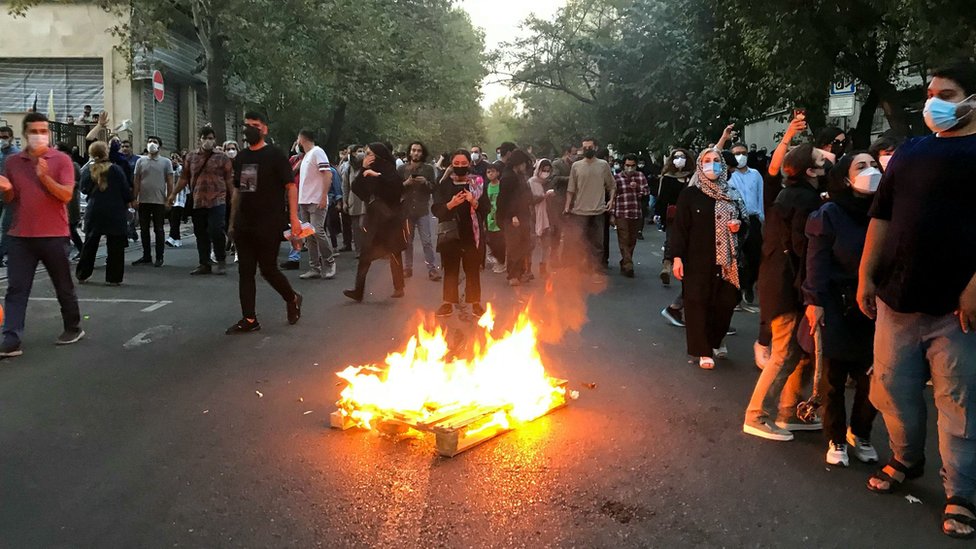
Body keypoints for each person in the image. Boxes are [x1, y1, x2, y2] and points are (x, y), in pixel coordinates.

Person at [857, 61, 976, 539]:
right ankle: (907, 459)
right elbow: (881, 216)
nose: (934, 103)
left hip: (957, 310)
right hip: (896, 299)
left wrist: (974, 287)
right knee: (891, 388)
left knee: (958, 404)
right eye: (930, 94)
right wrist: (866, 275)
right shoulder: (911, 151)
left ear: (972, 102)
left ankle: (960, 493)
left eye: (946, 95)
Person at [801, 152, 881, 468]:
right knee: (833, 379)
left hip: (875, 307)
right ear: (846, 178)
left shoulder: (886, 210)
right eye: (862, 166)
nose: (871, 171)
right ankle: (835, 437)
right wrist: (814, 301)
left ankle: (860, 432)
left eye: (874, 165)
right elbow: (816, 260)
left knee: (872, 378)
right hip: (837, 304)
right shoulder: (829, 214)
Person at [743, 143, 826, 441]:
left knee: (797, 353)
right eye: (821, 159)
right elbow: (803, 248)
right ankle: (757, 415)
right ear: (810, 171)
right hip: (787, 286)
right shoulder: (804, 200)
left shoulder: (789, 195)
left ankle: (789, 411)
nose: (828, 161)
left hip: (780, 282)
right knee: (783, 353)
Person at [0, 113, 84, 357]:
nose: (39, 136)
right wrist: (6, 189)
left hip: (54, 235)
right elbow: (11, 199)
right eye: (34, 131)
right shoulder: (13, 162)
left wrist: (44, 177)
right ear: (25, 134)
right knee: (16, 289)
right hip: (20, 236)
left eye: (43, 131)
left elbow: (66, 195)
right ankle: (11, 338)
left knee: (63, 285)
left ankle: (73, 327)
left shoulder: (61, 160)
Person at [226, 112, 303, 333]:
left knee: (268, 269)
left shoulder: (275, 155)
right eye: (247, 125)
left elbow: (290, 187)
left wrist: (294, 219)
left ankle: (292, 298)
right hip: (245, 223)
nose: (250, 129)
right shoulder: (242, 157)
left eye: (255, 125)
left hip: (269, 223)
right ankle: (249, 319)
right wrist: (232, 222)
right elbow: (240, 190)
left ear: (264, 129)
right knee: (245, 271)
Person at [669, 148, 746, 369]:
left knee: (725, 303)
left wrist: (739, 226)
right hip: (696, 260)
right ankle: (703, 351)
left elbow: (745, 221)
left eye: (716, 160)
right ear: (700, 166)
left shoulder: (732, 193)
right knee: (697, 304)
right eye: (707, 160)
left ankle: (715, 340)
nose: (712, 164)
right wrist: (677, 257)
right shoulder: (690, 195)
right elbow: (680, 228)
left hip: (727, 261)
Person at [343, 143, 407, 302]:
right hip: (374, 219)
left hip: (390, 219)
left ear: (378, 155)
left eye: (370, 154)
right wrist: (363, 169)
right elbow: (356, 188)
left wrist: (377, 176)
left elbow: (396, 189)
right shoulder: (367, 169)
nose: (367, 157)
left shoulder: (389, 169)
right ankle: (358, 291)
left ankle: (399, 286)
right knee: (365, 254)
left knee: (394, 252)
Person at [431, 149, 490, 317]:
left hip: (472, 233)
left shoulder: (477, 183)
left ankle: (475, 303)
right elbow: (436, 210)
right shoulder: (444, 184)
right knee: (450, 268)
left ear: (469, 164)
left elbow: (486, 208)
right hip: (450, 233)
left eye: (464, 163)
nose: (460, 166)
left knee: (472, 268)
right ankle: (448, 302)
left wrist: (474, 201)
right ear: (451, 164)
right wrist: (451, 204)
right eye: (456, 163)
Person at [168, 127, 234, 275]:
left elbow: (229, 179)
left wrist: (233, 197)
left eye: (210, 138)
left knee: (216, 230)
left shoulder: (222, 157)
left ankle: (220, 260)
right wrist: (173, 194)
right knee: (200, 232)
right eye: (205, 138)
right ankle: (204, 263)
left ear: (214, 140)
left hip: (217, 200)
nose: (208, 141)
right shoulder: (191, 157)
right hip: (198, 200)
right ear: (200, 139)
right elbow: (184, 178)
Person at [76, 141, 132, 285]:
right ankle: (114, 278)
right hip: (115, 210)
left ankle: (83, 274)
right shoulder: (116, 169)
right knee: (115, 245)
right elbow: (125, 190)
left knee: (90, 243)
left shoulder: (88, 170)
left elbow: (83, 189)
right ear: (106, 153)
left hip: (95, 209)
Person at [564, 138, 615, 278]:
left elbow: (612, 185)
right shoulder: (576, 166)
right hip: (579, 210)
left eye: (590, 147)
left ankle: (596, 269)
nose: (587, 150)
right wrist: (567, 206)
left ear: (595, 147)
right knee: (580, 241)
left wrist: (611, 201)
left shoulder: (603, 165)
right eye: (585, 147)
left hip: (598, 210)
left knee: (598, 243)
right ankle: (581, 267)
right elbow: (571, 189)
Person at [294, 129, 337, 280]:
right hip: (304, 200)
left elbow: (327, 174)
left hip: (316, 200)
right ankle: (314, 267)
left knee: (318, 231)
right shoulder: (306, 156)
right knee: (308, 235)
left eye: (298, 139)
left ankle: (329, 262)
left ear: (302, 139)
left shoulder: (317, 152)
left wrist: (324, 196)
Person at [397, 141, 440, 281]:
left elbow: (434, 188)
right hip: (407, 210)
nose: (416, 153)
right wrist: (406, 183)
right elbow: (395, 189)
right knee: (408, 241)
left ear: (422, 153)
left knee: (426, 241)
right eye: (414, 150)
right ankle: (407, 268)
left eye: (419, 151)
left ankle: (432, 269)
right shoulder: (402, 169)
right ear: (409, 152)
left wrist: (425, 182)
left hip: (422, 210)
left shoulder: (428, 169)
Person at [728, 142, 764, 306]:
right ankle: (737, 290)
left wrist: (762, 218)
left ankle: (749, 285)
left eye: (743, 153)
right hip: (735, 220)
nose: (740, 156)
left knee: (755, 256)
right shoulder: (728, 176)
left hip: (753, 219)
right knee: (736, 257)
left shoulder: (755, 174)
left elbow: (760, 196)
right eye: (736, 153)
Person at [131, 135, 173, 268]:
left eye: (154, 142)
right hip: (143, 200)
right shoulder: (140, 161)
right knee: (144, 229)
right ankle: (146, 256)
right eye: (149, 141)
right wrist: (134, 198)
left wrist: (169, 199)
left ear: (159, 145)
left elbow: (170, 182)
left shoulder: (166, 162)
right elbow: (136, 181)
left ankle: (160, 257)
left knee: (159, 229)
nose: (151, 144)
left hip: (159, 201)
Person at [496, 149, 535, 286]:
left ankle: (521, 272)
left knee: (524, 245)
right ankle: (512, 275)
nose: (524, 167)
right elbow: (503, 200)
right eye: (523, 164)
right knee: (514, 246)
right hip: (512, 218)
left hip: (523, 214)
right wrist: (512, 215)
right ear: (518, 163)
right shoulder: (508, 178)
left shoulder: (520, 176)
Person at [655, 148, 693, 285]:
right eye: (676, 157)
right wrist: (658, 214)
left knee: (690, 242)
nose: (679, 159)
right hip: (674, 215)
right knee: (671, 240)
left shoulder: (693, 177)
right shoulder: (667, 178)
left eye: (682, 156)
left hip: (691, 214)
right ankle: (666, 267)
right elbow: (662, 198)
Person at [610, 154, 651, 278]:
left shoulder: (640, 176)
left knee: (632, 240)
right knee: (624, 238)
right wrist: (612, 214)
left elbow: (647, 191)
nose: (630, 168)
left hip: (635, 212)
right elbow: (613, 197)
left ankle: (625, 261)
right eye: (628, 165)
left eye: (633, 165)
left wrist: (637, 187)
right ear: (623, 165)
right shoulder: (617, 178)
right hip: (621, 212)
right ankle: (628, 264)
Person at [548, 144, 576, 266]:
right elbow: (554, 179)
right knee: (556, 230)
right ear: (567, 153)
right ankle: (554, 257)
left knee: (570, 231)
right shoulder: (557, 164)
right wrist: (570, 179)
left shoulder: (575, 164)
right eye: (573, 153)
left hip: (571, 201)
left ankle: (567, 257)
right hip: (558, 201)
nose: (575, 156)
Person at [527, 158, 554, 278]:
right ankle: (528, 270)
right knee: (531, 245)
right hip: (533, 216)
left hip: (547, 217)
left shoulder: (549, 183)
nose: (545, 173)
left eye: (548, 171)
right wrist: (543, 196)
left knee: (546, 244)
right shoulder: (530, 182)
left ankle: (543, 268)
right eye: (544, 170)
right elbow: (529, 200)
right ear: (538, 169)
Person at [0, 125, 22, 267]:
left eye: (5, 137)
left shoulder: (17, 155)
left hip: (10, 196)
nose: (2, 140)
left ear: (11, 138)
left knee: (6, 226)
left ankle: (1, 255)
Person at [341, 145, 367, 256]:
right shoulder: (348, 168)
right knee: (356, 228)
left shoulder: (367, 167)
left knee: (363, 225)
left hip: (364, 200)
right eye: (357, 152)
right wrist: (344, 202)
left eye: (362, 151)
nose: (360, 154)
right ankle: (358, 250)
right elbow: (345, 186)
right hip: (353, 199)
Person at [484, 161, 506, 274]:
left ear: (498, 173)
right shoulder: (486, 187)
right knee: (490, 240)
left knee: (500, 241)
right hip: (489, 218)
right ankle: (497, 260)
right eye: (488, 172)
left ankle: (501, 263)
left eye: (493, 171)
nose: (490, 174)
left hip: (500, 217)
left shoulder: (502, 186)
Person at [166, 152, 187, 248]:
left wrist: (178, 164)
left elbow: (180, 177)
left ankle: (171, 237)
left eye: (176, 157)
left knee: (175, 218)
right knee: (172, 220)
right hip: (170, 198)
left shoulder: (181, 169)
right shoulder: (168, 169)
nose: (173, 160)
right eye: (172, 158)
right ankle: (177, 239)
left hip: (179, 198)